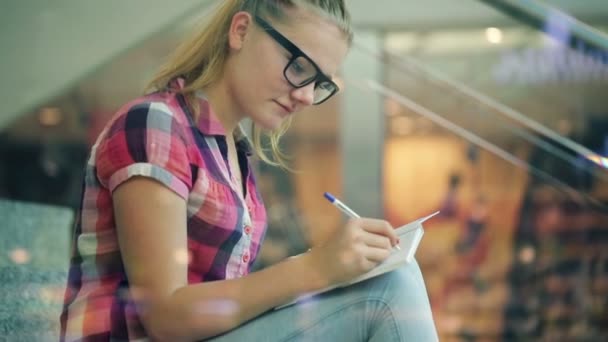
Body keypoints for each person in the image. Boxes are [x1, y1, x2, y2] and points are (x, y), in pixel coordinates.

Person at [59, 0, 438, 341]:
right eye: (300, 66)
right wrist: (316, 268)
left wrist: (327, 268)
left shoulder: (233, 153)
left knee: (392, 275)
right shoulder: (157, 123)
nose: (307, 96)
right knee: (392, 288)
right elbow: (165, 317)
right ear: (240, 31)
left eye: (320, 83)